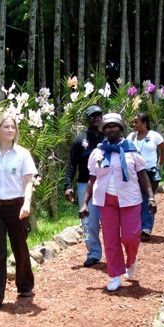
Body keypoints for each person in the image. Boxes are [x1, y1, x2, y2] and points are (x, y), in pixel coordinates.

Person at [79, 113, 157, 292]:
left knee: (130, 236)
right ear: (103, 130)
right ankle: (114, 275)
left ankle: (131, 261)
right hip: (106, 201)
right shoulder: (98, 152)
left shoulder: (131, 149)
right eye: (107, 126)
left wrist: (151, 197)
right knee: (110, 239)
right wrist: (85, 203)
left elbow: (142, 174)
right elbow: (91, 179)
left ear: (121, 128)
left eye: (115, 126)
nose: (111, 129)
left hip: (130, 199)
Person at [0, 115, 38, 312]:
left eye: (13, 127)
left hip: (17, 206)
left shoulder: (22, 154)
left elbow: (29, 181)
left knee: (20, 247)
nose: (10, 130)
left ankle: (25, 285)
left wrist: (27, 204)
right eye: (6, 127)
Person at [64, 105, 105, 267]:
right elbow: (71, 165)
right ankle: (94, 253)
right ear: (87, 119)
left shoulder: (107, 137)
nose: (96, 118)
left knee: (109, 220)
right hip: (84, 184)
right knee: (88, 221)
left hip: (106, 184)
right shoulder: (80, 140)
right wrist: (68, 186)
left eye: (98, 115)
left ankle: (114, 252)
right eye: (92, 116)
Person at [126, 112, 164, 240]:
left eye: (136, 122)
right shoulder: (131, 137)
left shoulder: (154, 136)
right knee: (136, 199)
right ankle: (138, 226)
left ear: (144, 123)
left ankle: (146, 228)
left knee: (147, 198)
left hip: (150, 172)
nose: (134, 124)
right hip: (134, 173)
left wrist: (159, 164)